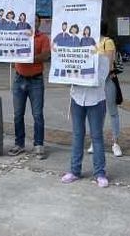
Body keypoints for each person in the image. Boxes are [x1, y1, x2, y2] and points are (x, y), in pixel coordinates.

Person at [62, 24, 111, 188]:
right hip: (77, 98)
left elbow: (102, 78)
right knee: (77, 135)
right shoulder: (73, 54)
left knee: (96, 136)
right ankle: (74, 170)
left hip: (96, 99)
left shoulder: (102, 58)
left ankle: (100, 173)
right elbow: (67, 75)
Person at [9, 15, 51, 159]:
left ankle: (38, 145)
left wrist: (27, 57)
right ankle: (19, 144)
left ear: (39, 23)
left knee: (38, 114)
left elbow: (45, 55)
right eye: (31, 21)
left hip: (36, 80)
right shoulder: (18, 36)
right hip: (19, 78)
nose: (34, 23)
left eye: (37, 21)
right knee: (17, 114)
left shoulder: (43, 38)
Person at [88, 21, 122, 157]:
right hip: (94, 81)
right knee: (96, 112)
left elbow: (108, 65)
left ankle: (115, 142)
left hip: (106, 80)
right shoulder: (91, 41)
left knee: (112, 111)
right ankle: (95, 141)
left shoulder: (108, 42)